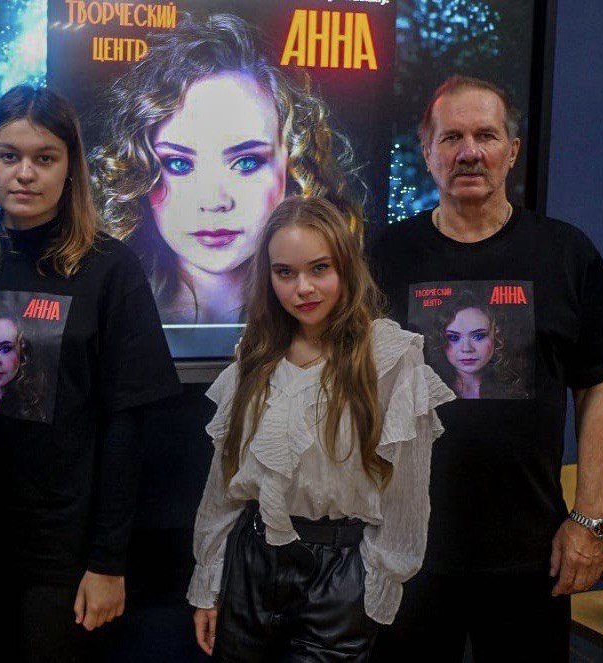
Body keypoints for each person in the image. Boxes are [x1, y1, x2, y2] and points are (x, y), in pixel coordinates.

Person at [368, 75, 603, 662]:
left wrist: (591, 521)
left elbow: (597, 387)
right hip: (406, 553)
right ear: (428, 152)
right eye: (451, 138)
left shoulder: (565, 252)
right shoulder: (383, 256)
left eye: (486, 136)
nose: (469, 152)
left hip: (531, 555)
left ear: (512, 151)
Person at [0, 84, 181, 662]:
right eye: (8, 155)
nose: (25, 173)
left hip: (61, 554)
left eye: (44, 157)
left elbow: (127, 426)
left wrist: (108, 562)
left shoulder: (109, 270)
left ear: (70, 168)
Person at [188, 196, 454, 661]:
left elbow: (406, 495)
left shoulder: (390, 357)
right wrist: (207, 583)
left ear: (346, 267)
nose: (303, 288)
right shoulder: (256, 353)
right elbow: (224, 482)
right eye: (285, 273)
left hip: (338, 573)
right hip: (249, 565)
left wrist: (372, 585)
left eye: (319, 268)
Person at [90, 13, 362, 325]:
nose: (214, 201)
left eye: (246, 162)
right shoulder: (106, 312)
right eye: (179, 164)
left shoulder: (344, 321)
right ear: (140, 171)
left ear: (291, 165)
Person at [426, 291, 528, 400]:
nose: (467, 349)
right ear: (440, 340)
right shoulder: (426, 392)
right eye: (453, 337)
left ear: (496, 336)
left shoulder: (516, 389)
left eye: (478, 336)